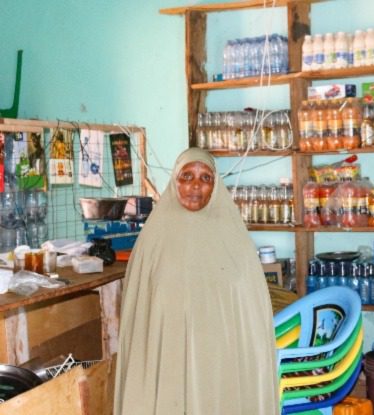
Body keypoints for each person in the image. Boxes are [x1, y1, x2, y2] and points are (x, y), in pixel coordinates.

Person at [114, 147, 280, 415]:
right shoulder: (154, 236)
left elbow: (250, 309)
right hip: (168, 351)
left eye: (205, 178)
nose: (195, 186)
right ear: (174, 181)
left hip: (220, 356)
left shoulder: (232, 233)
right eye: (186, 176)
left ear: (215, 187)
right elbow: (140, 311)